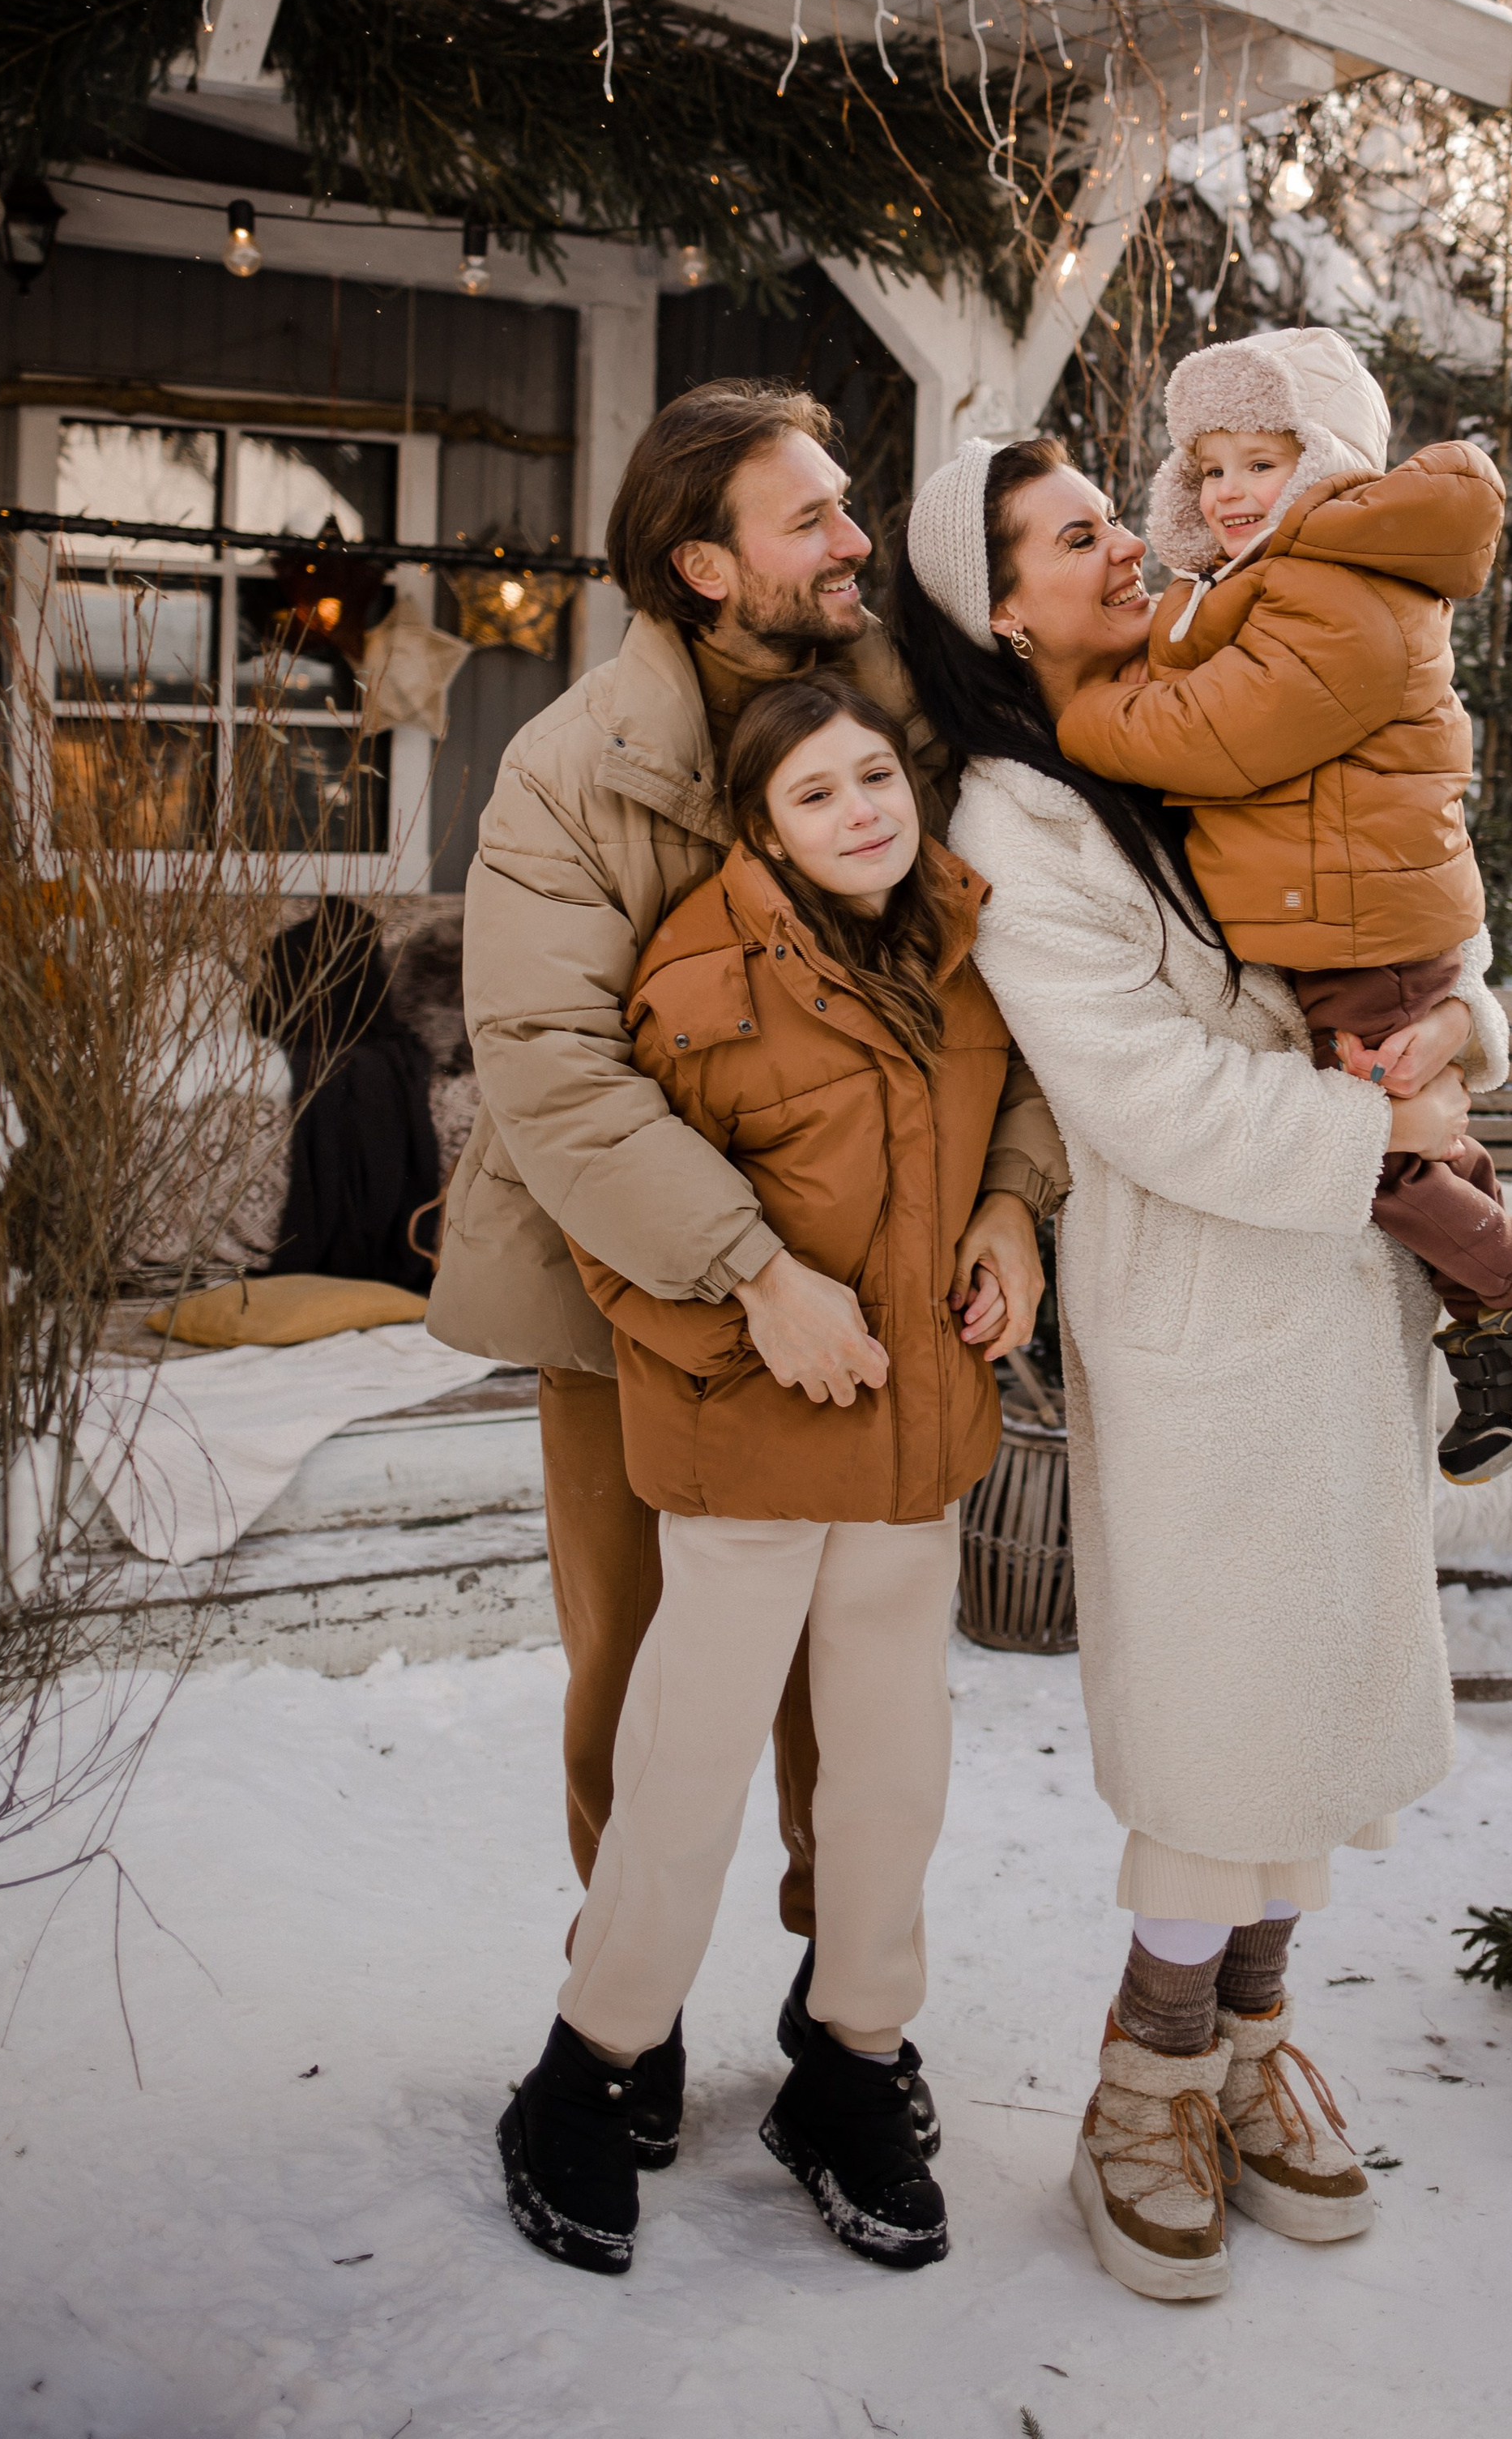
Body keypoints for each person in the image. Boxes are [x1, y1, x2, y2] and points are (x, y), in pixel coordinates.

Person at [894, 433, 1507, 2304]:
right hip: (1207, 1306)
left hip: (1342, 1296)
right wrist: (1378, 1136)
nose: (1119, 544)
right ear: (997, 610)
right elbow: (1137, 1091)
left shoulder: (1216, 700)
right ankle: (1144, 2077)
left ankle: (1249, 2047)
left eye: (1109, 514)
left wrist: (1454, 1029)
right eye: (1069, 537)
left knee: (1310, 1696)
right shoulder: (1015, 815)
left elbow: (1400, 881)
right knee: (1214, 1722)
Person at [428, 383, 1065, 2172]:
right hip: (626, 1283)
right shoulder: (574, 767)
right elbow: (552, 1065)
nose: (858, 541)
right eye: (812, 520)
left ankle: (836, 2010)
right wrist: (746, 1268)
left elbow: (1007, 999)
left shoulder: (902, 729)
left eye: (847, 507)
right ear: (706, 567)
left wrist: (1013, 1204)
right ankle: (619, 2013)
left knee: (860, 1695)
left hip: (889, 1293)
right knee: (647, 1666)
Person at [498, 677, 1030, 2276]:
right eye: (815, 794)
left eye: (875, 777)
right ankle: (588, 2065)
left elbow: (1023, 1102)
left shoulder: (958, 940)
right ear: (761, 832)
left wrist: (1013, 1214)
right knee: (687, 1769)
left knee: (889, 1774)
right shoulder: (698, 980)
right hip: (751, 1449)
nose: (861, 811)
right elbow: (613, 1222)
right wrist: (754, 1306)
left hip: (917, 1443)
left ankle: (852, 2063)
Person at [1054, 327, 1512, 1490]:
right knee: (1420, 1131)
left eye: (1259, 463)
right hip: (1354, 918)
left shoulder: (1338, 586)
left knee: (1368, 1153)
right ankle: (1506, 1340)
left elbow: (1217, 733)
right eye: (1208, 467)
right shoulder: (1288, 576)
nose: (1227, 492)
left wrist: (1081, 713)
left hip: (1362, 924)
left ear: (1324, 463)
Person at [251, 898, 440, 1292]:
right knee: (360, 1071)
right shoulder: (300, 956)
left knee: (361, 1072)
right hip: (327, 1036)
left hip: (336, 1038)